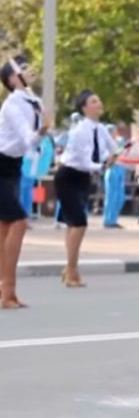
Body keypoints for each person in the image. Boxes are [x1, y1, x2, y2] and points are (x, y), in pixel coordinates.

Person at [0, 55, 51, 308]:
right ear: (11, 78)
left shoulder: (34, 101)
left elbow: (32, 145)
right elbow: (28, 138)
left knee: (5, 227)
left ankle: (7, 292)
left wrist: (43, 129)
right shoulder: (11, 105)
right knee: (18, 222)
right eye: (24, 67)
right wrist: (42, 131)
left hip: (13, 166)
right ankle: (7, 290)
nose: (31, 70)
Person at [54, 90, 116, 288]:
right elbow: (84, 161)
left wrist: (115, 155)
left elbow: (112, 148)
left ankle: (71, 269)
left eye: (98, 100)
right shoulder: (80, 130)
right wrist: (104, 165)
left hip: (83, 179)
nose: (99, 104)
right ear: (84, 108)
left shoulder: (101, 129)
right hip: (68, 176)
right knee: (79, 223)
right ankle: (71, 269)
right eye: (94, 101)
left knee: (73, 224)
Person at [102, 124, 127, 229]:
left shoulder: (119, 142)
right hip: (112, 170)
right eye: (113, 131)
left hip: (121, 169)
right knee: (111, 197)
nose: (115, 133)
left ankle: (114, 219)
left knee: (120, 197)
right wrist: (116, 155)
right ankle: (108, 220)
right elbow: (108, 159)